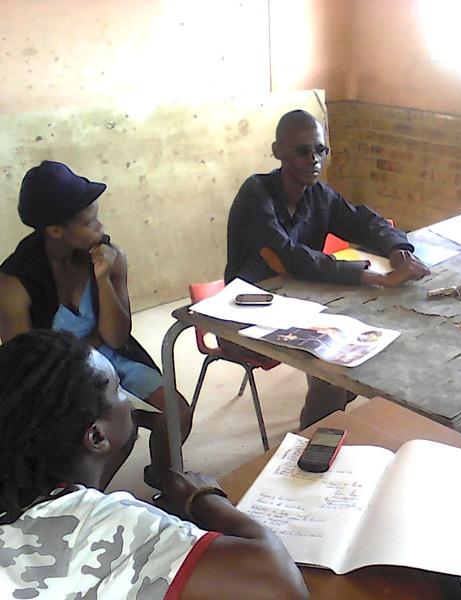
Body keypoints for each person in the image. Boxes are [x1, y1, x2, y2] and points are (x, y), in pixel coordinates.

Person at [0, 330, 308, 599]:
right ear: (96, 436)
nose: (129, 399)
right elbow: (280, 586)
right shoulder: (109, 523)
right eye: (119, 389)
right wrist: (204, 499)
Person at [225, 109, 431, 428]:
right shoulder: (256, 194)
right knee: (333, 368)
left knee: (369, 339)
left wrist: (397, 250)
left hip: (302, 298)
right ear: (278, 151)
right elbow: (288, 257)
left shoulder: (318, 194)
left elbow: (363, 221)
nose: (314, 159)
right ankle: (311, 440)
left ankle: (327, 423)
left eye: (320, 149)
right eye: (302, 151)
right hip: (245, 314)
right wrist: (377, 278)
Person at [0, 161, 192, 491]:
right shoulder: (13, 285)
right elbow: (31, 370)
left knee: (177, 414)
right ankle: (84, 498)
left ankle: (164, 477)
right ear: (55, 231)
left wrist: (103, 279)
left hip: (110, 357)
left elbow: (116, 338)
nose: (100, 227)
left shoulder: (107, 257)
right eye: (89, 222)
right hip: (62, 380)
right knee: (119, 432)